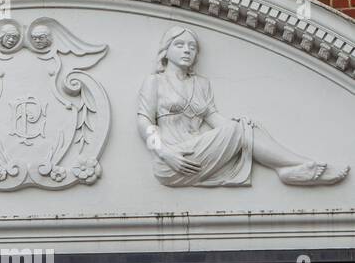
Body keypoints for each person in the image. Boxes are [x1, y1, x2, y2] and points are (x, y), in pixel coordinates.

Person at [136, 27, 348, 188]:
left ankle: (295, 167)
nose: (187, 51)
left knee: (243, 124)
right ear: (166, 50)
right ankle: (298, 166)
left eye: (192, 47)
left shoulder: (201, 84)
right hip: (173, 161)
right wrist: (165, 153)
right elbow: (144, 121)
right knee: (240, 129)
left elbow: (212, 116)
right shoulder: (155, 82)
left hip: (200, 150)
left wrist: (237, 125)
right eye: (180, 45)